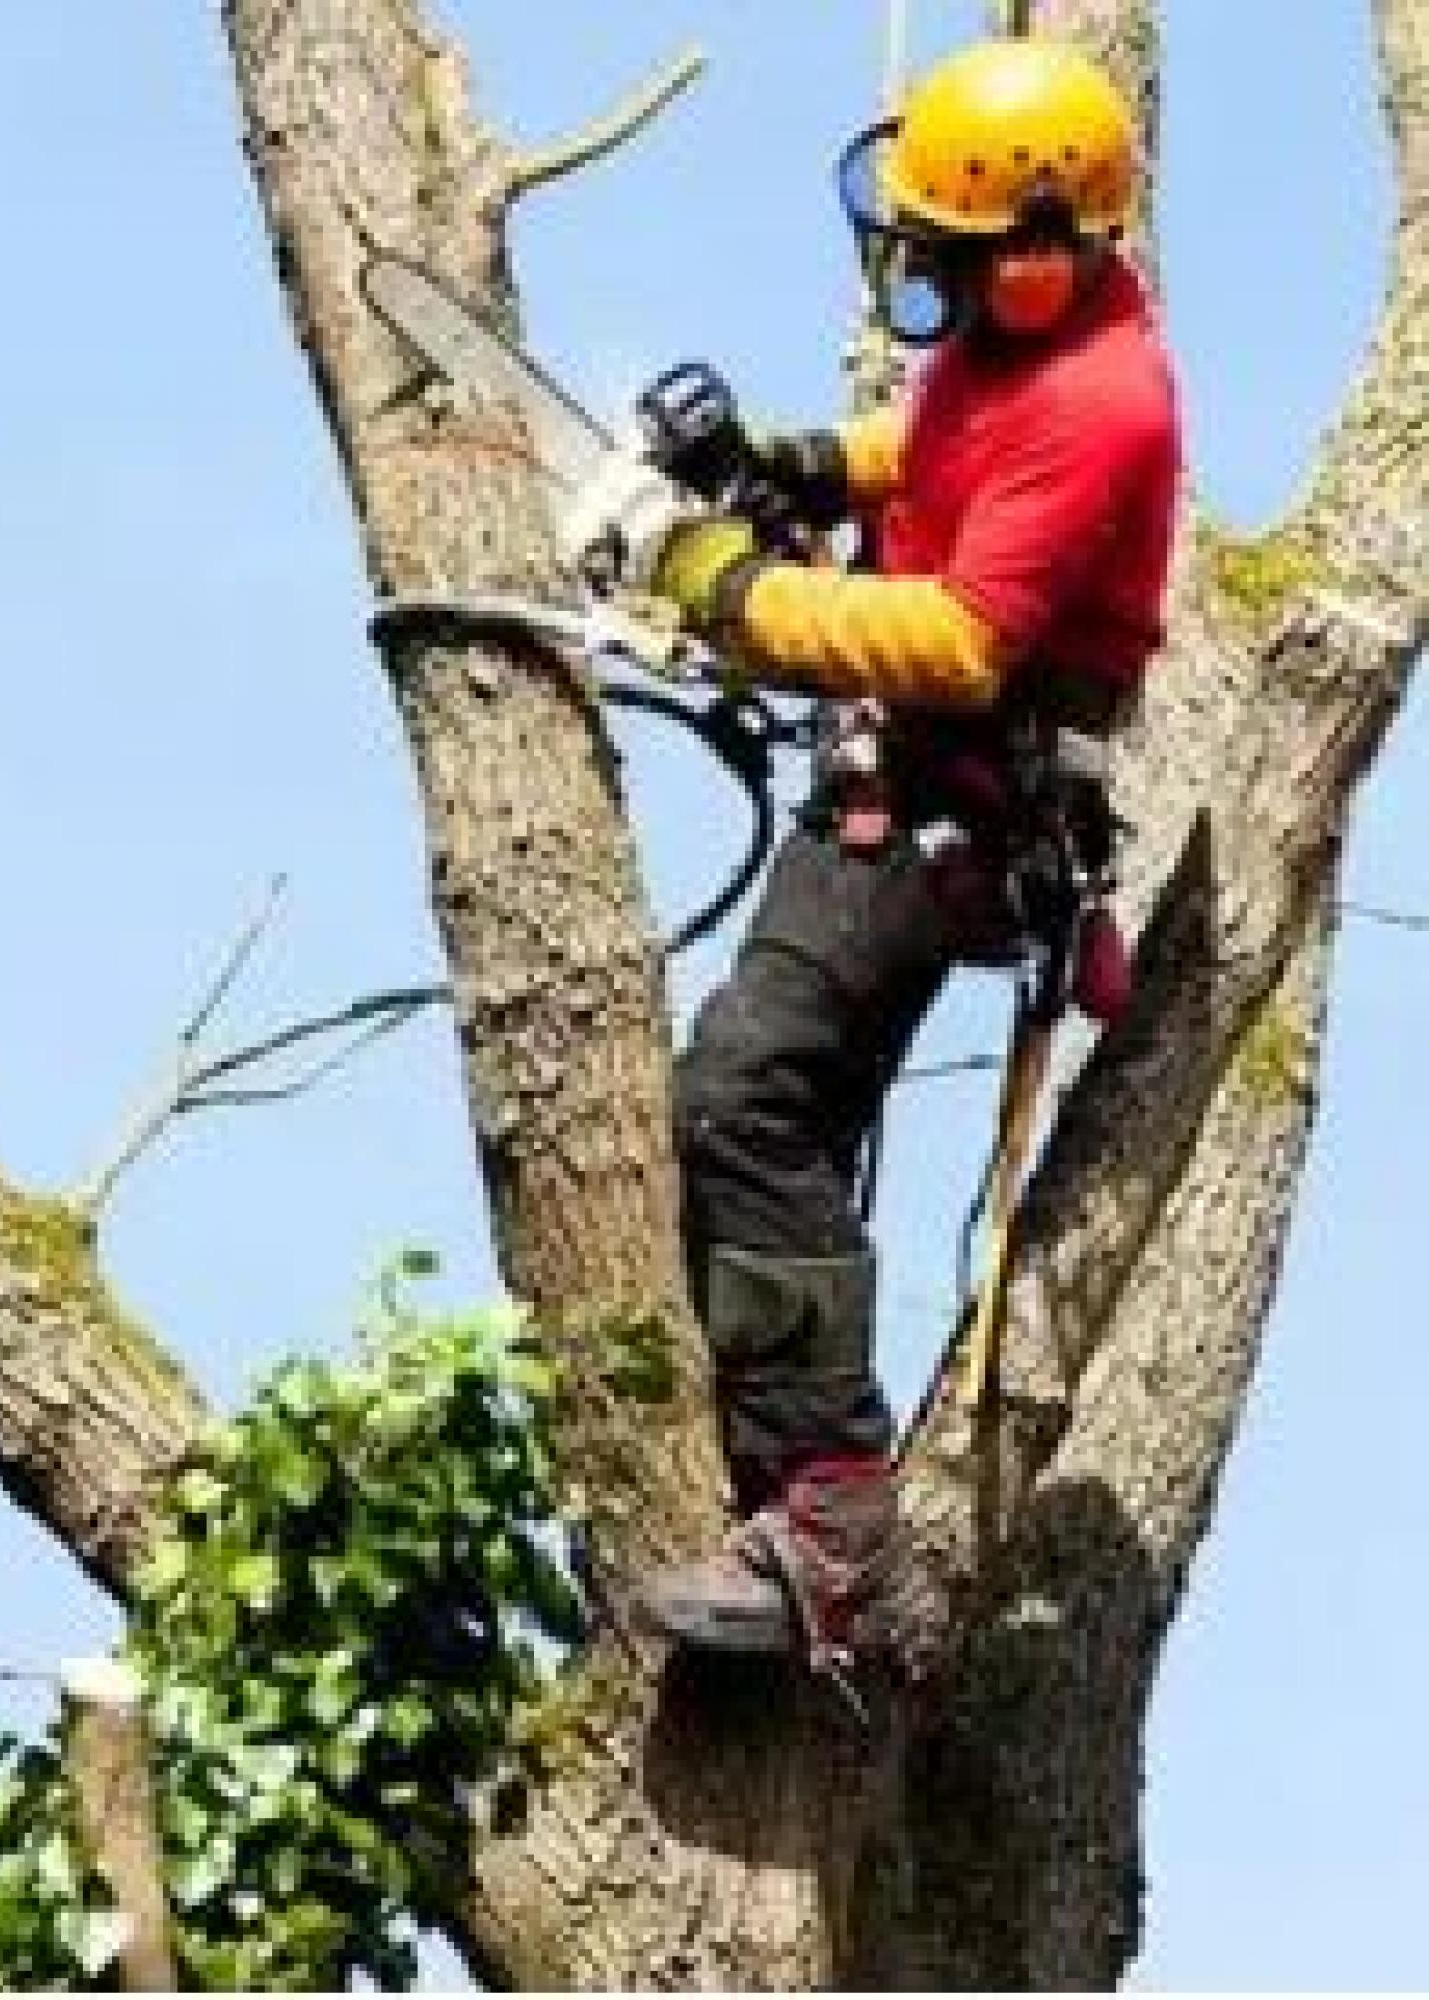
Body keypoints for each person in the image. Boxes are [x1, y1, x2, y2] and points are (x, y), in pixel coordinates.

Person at [628, 36, 1183, 1690]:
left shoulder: (1104, 402)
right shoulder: (1032, 349)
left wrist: (727, 591)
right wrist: (801, 464)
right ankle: (774, 1450)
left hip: (954, 809)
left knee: (749, 1102)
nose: (926, 272)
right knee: (744, 1109)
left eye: (953, 249)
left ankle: (833, 1531)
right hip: (895, 785)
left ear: (1037, 248)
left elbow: (950, 641)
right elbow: (931, 442)